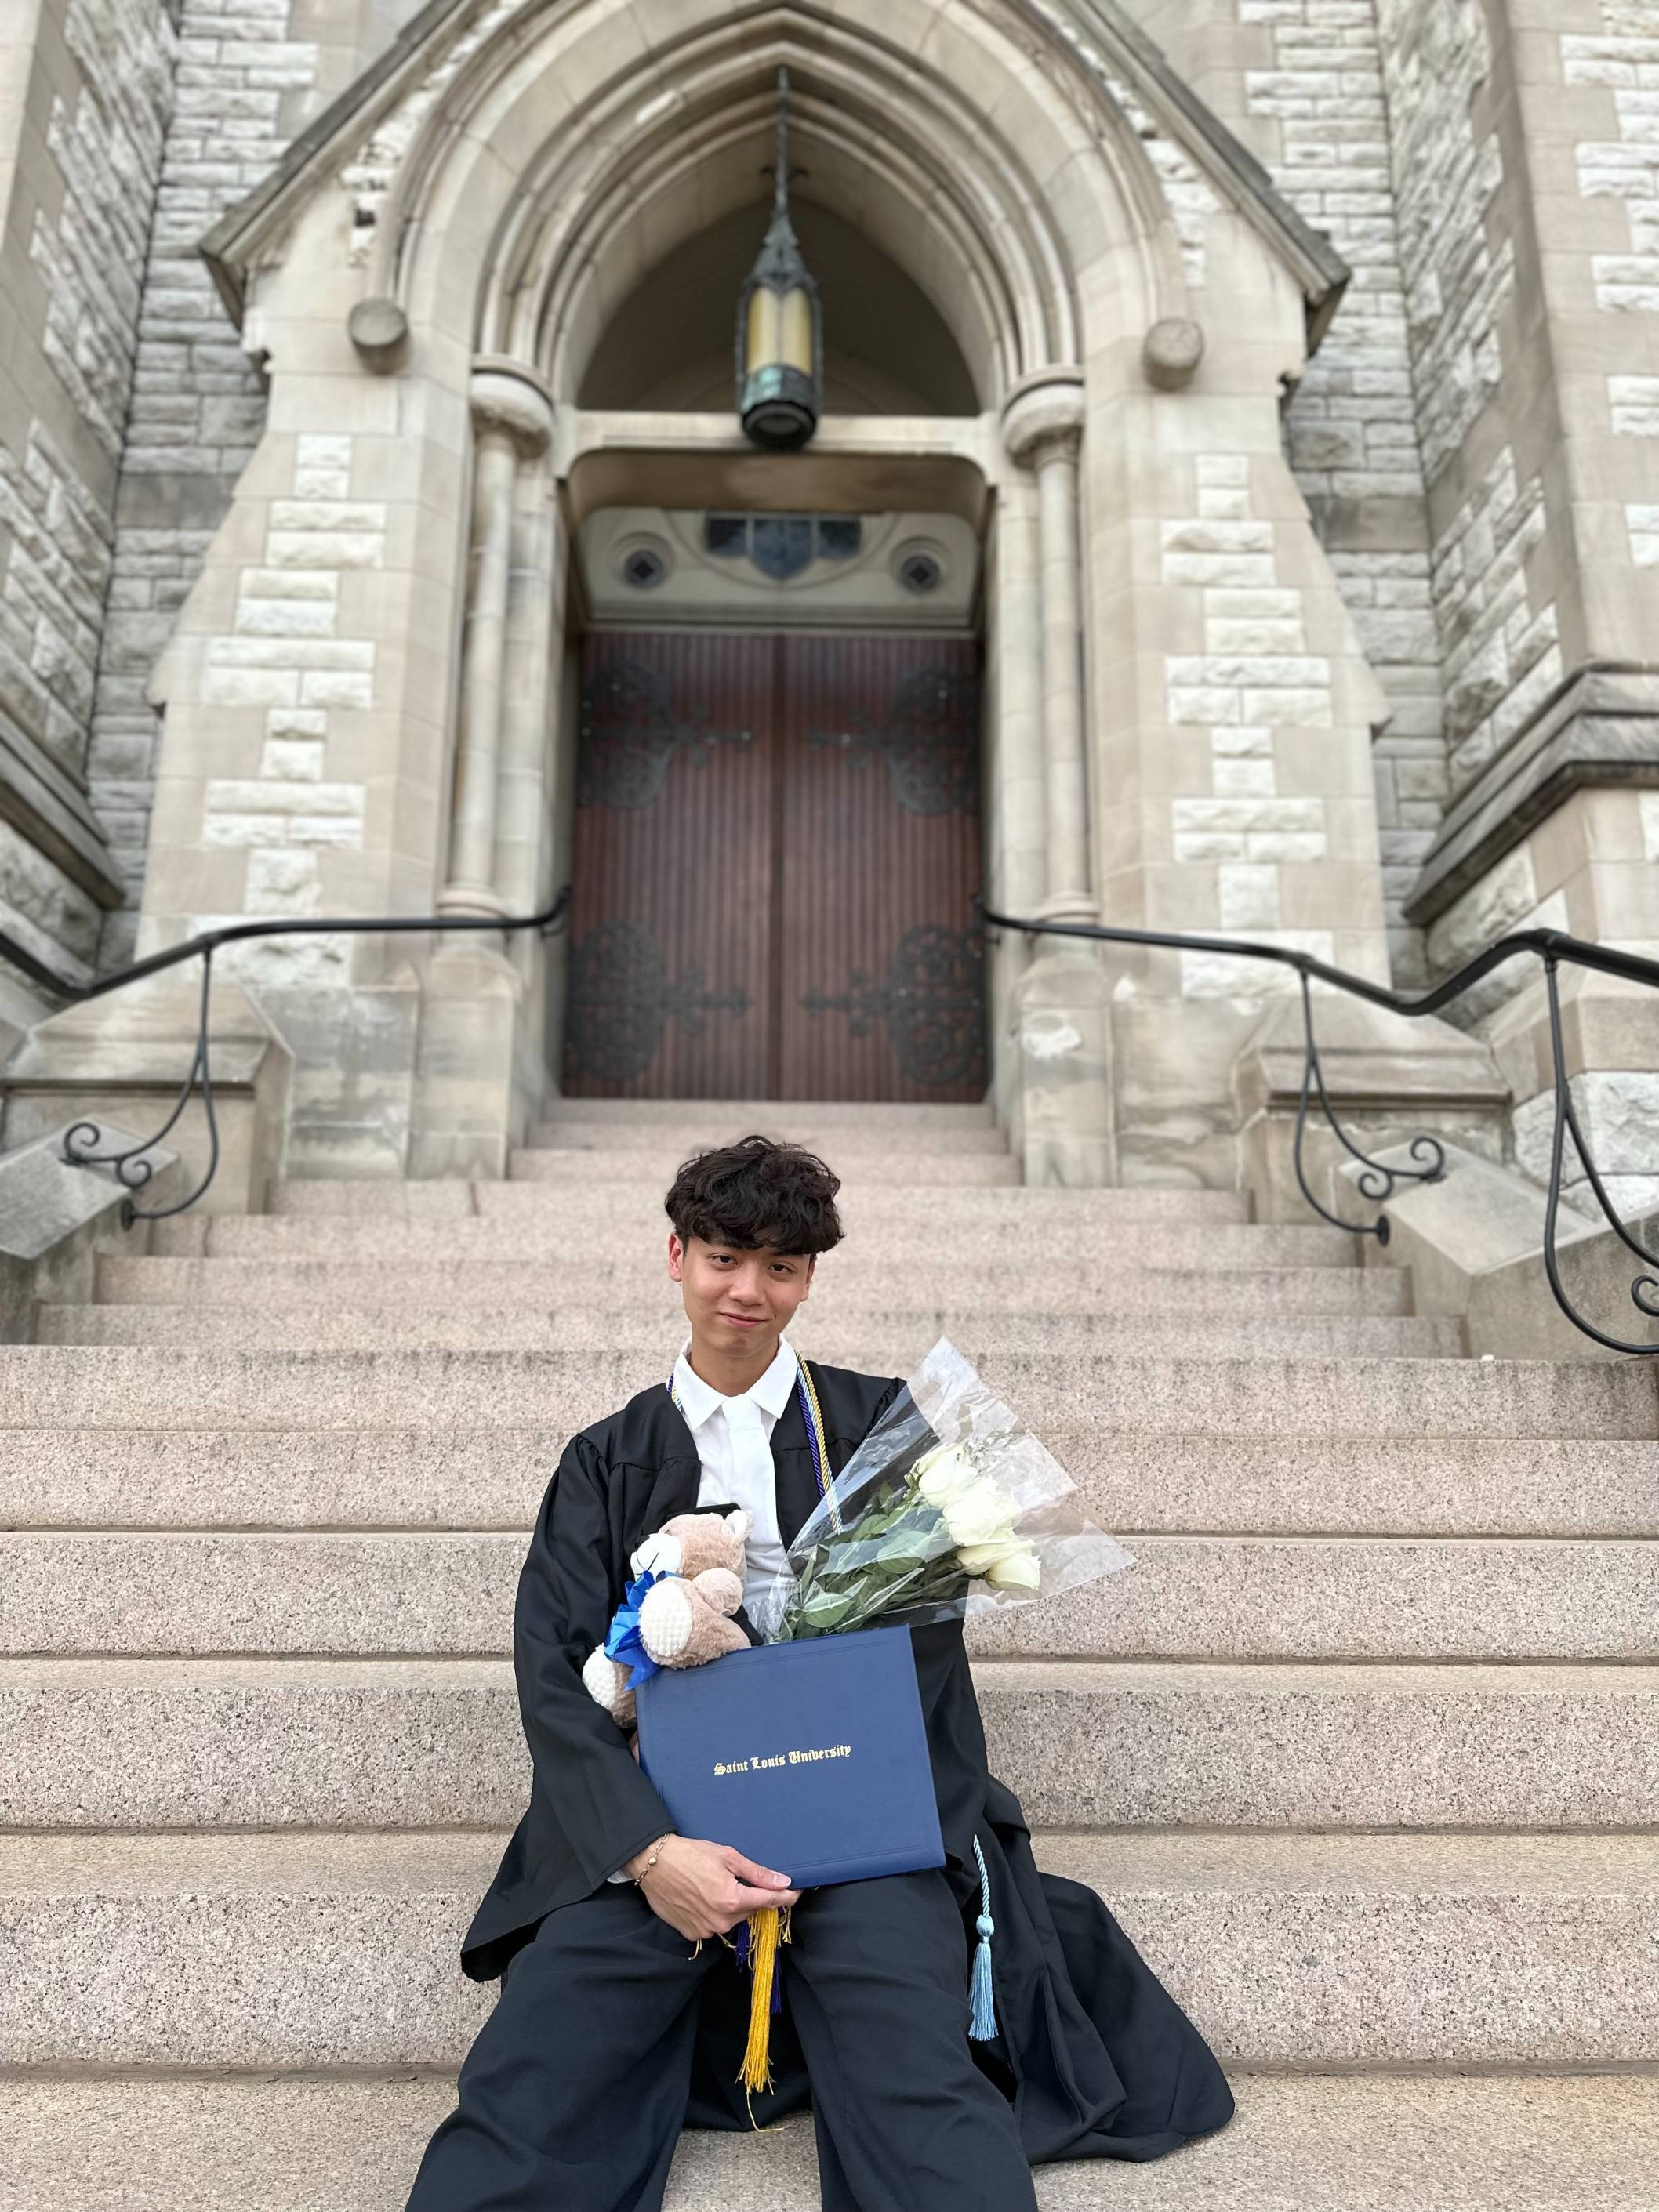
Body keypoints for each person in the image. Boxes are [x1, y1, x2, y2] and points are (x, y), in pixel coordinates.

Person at [405, 1135, 1233, 2212]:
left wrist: (826, 1807)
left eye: (781, 1267)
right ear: (676, 1256)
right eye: (723, 1258)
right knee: (543, 2056)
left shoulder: (877, 1427)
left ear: (808, 1279)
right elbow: (553, 1674)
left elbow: (919, 1650)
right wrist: (650, 1852)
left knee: (912, 2058)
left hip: (856, 1821)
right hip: (655, 1821)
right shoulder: (604, 1459)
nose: (748, 1291)